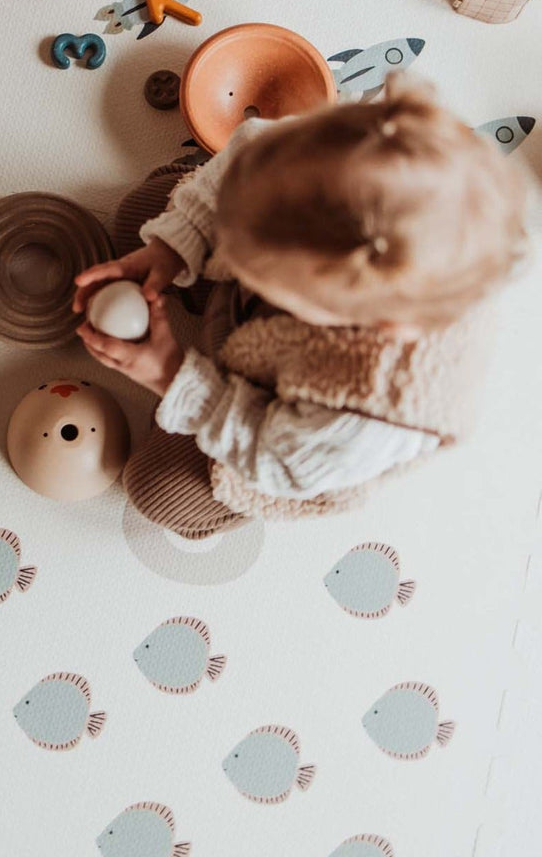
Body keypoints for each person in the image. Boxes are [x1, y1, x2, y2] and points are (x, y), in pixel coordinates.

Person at [73, 75, 528, 538]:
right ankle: (204, 268)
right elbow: (250, 150)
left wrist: (172, 377)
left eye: (257, 267)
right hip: (255, 310)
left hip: (274, 427)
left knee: (158, 491)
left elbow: (275, 456)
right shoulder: (354, 152)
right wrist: (173, 248)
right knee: (140, 211)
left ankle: (207, 429)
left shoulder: (374, 409)